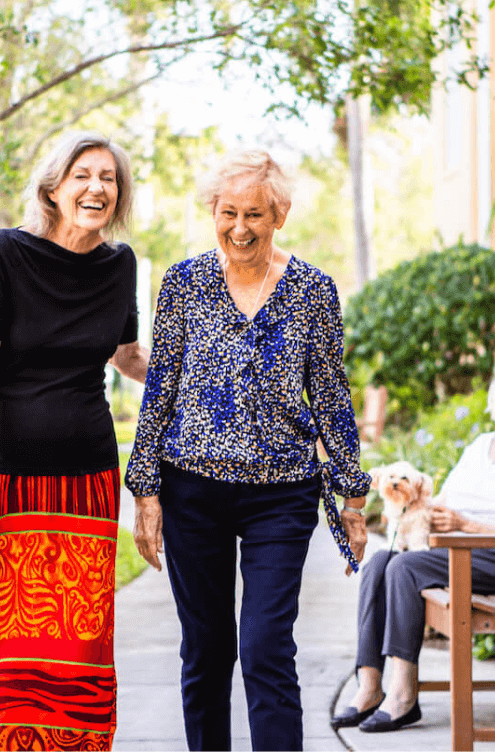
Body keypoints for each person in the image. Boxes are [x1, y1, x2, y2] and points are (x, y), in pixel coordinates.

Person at [125, 149, 371, 752]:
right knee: (206, 651)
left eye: (255, 214)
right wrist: (146, 490)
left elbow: (331, 393)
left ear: (279, 214)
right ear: (213, 211)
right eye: (228, 212)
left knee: (264, 646)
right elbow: (160, 390)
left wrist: (352, 496)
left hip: (280, 495)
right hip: (192, 491)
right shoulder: (184, 283)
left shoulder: (313, 291)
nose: (240, 228)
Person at [0, 130, 148, 751]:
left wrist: (206, 358)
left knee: (80, 643)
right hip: (7, 480)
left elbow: (125, 356)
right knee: (1, 640)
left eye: (109, 179)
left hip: (86, 480)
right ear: (53, 188)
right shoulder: (5, 255)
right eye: (83, 175)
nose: (97, 188)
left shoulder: (121, 266)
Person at [332, 361, 495, 734]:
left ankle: (402, 694)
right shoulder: (479, 446)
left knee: (404, 568)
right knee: (379, 562)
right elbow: (445, 498)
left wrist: (465, 525)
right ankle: (369, 686)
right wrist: (425, 510)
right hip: (458, 549)